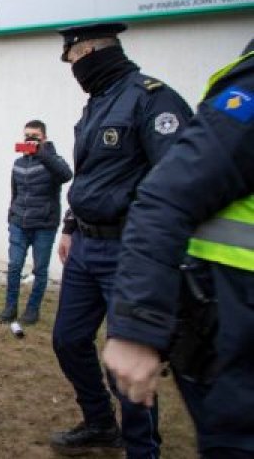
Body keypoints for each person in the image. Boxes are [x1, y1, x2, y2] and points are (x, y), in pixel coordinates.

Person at [102, 39, 254, 457]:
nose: (76, 61)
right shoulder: (247, 94)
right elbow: (166, 196)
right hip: (235, 325)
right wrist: (136, 328)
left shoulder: (152, 100)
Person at [49, 23, 193, 457]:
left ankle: (141, 448)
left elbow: (176, 182)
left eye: (72, 58)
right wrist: (71, 227)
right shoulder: (96, 105)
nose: (72, 68)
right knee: (68, 340)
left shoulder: (153, 99)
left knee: (125, 357)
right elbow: (90, 178)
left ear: (90, 49)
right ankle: (98, 423)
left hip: (130, 250)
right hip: (86, 248)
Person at [0, 120, 73, 325]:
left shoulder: (53, 160)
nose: (29, 140)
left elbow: (66, 175)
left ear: (44, 138)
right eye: (27, 136)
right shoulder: (18, 163)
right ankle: (10, 308)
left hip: (44, 226)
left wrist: (42, 153)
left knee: (40, 270)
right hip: (19, 223)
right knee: (14, 266)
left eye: (34, 136)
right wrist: (11, 215)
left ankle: (32, 310)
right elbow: (15, 192)